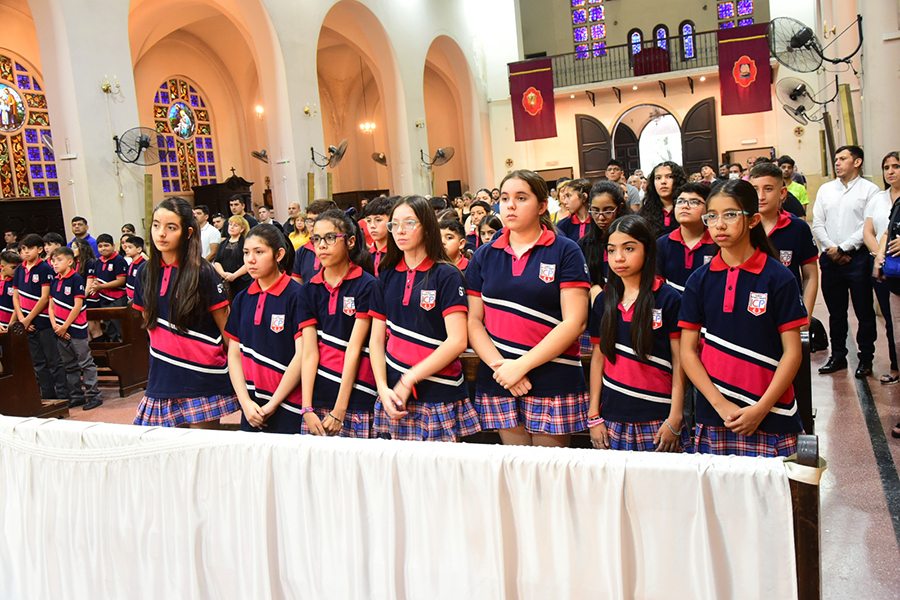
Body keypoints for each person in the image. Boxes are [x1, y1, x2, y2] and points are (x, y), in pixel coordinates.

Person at [679, 180, 807, 457]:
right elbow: (687, 351)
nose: (719, 224)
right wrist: (721, 405)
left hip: (772, 413)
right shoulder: (698, 281)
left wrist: (761, 408)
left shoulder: (779, 278)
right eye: (712, 216)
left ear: (753, 220)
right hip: (716, 416)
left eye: (730, 215)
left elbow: (793, 352)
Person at [467, 170, 590, 447]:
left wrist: (521, 366)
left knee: (550, 469)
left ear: (542, 206)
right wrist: (503, 370)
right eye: (505, 198)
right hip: (500, 376)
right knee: (515, 466)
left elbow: (575, 322)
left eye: (521, 198)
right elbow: (473, 321)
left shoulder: (565, 250)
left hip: (552, 374)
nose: (510, 205)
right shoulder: (484, 255)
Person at [368, 195, 480, 442]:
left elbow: (457, 341)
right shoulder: (386, 276)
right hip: (394, 392)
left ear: (427, 226)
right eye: (394, 224)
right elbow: (376, 340)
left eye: (409, 223)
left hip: (439, 390)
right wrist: (383, 388)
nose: (400, 230)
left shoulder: (446, 275)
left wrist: (410, 379)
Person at [133, 196, 239, 428]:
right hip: (164, 374)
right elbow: (149, 323)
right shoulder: (145, 272)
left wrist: (239, 374)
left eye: (171, 228)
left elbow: (228, 329)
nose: (161, 233)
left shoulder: (202, 271)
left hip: (202, 374)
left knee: (204, 446)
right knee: (169, 447)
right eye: (156, 225)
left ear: (188, 232)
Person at [588, 215, 688, 452]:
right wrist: (593, 415)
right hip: (612, 416)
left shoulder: (668, 298)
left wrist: (675, 416)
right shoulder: (603, 300)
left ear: (648, 250)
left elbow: (680, 361)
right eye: (611, 250)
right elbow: (598, 358)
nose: (618, 258)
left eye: (629, 248)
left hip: (658, 416)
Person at [298, 210, 378, 437]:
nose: (322, 245)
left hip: (357, 395)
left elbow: (354, 348)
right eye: (316, 239)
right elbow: (309, 352)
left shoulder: (367, 285)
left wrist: (340, 409)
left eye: (330, 238)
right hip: (319, 397)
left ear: (350, 242)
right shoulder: (308, 290)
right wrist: (307, 407)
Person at [224, 224, 303, 434]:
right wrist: (245, 402)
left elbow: (302, 355)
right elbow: (234, 354)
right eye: (246, 253)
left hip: (289, 406)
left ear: (279, 255)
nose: (250, 259)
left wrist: (273, 404)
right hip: (251, 407)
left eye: (259, 252)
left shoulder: (297, 296)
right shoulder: (242, 298)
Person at [812, 145, 880, 377]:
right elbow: (818, 223)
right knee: (836, 312)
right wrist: (831, 249)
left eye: (842, 159)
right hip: (830, 259)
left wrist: (843, 248)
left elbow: (868, 226)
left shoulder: (870, 190)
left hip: (858, 258)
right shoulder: (826, 189)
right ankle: (838, 355)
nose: (837, 163)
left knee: (864, 311)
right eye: (836, 159)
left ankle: (866, 358)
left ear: (857, 162)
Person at [750, 163, 819, 325]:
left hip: (788, 310)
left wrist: (806, 316)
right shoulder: (743, 227)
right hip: (751, 311)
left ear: (782, 193)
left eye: (768, 189)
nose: (760, 196)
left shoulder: (797, 228)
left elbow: (810, 275)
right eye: (755, 190)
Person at [12, 233, 68, 399]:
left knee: (53, 360)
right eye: (23, 248)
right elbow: (16, 297)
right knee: (38, 362)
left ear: (40, 249)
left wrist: (28, 319)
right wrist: (22, 319)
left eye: (30, 248)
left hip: (43, 322)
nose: (26, 252)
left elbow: (44, 298)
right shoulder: (19, 270)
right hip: (26, 323)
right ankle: (47, 395)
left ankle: (63, 395)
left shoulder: (44, 269)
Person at [47, 246, 103, 410]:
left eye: (59, 260)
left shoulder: (76, 279)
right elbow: (51, 306)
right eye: (53, 260)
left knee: (85, 363)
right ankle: (76, 396)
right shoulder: (55, 280)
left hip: (76, 328)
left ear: (70, 262)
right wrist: (55, 326)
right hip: (59, 329)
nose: (55, 263)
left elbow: (77, 305)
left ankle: (94, 395)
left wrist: (65, 326)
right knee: (69, 365)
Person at [872, 152, 900, 436]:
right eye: (887, 167)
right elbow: (886, 232)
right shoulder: (895, 203)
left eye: (896, 166)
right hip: (897, 282)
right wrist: (880, 256)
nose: (891, 171)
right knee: (898, 338)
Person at [656, 182, 715, 293]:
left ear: (708, 209)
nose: (685, 206)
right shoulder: (662, 244)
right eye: (680, 201)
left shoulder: (717, 243)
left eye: (694, 202)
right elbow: (658, 283)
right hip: (673, 301)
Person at [90, 233, 128, 342]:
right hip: (104, 300)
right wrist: (95, 285)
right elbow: (95, 279)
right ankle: (114, 347)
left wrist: (100, 286)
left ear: (113, 246)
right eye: (100, 246)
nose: (103, 248)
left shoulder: (119, 260)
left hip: (117, 300)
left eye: (106, 245)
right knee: (110, 328)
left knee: (121, 328)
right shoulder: (98, 262)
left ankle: (124, 349)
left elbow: (121, 281)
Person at [291, 199, 337, 284]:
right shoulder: (301, 252)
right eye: (309, 221)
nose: (312, 225)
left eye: (316, 220)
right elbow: (297, 285)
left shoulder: (338, 249)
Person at [639, 161, 686, 238]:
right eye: (658, 178)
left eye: (669, 177)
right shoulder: (644, 212)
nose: (663, 182)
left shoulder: (687, 208)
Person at [214, 215, 252, 299]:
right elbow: (217, 261)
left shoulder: (246, 243)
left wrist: (234, 275)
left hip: (242, 281)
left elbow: (248, 262)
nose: (231, 227)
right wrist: (223, 274)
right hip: (226, 281)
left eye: (236, 225)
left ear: (242, 229)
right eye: (230, 224)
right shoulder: (223, 243)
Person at [72, 238, 102, 340]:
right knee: (86, 329)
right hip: (79, 298)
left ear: (83, 248)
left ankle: (99, 347)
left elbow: (89, 285)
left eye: (75, 247)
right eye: (71, 247)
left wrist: (81, 298)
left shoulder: (90, 262)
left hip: (90, 297)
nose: (72, 250)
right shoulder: (74, 263)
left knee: (93, 327)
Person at [363, 196, 395, 275]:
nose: (372, 226)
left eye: (378, 220)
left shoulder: (397, 254)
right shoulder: (365, 256)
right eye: (369, 220)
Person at [555, 179, 592, 243]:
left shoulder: (598, 223)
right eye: (564, 197)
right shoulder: (562, 225)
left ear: (584, 196)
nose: (565, 202)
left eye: (568, 196)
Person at [0, 251, 22, 331]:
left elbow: (18, 306)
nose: (16, 271)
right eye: (13, 268)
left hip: (12, 327)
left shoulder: (19, 282)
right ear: (2, 266)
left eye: (18, 268)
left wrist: (10, 326)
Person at [122, 235, 146, 302]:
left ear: (139, 249)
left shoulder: (143, 265)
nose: (126, 250)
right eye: (126, 247)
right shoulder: (131, 264)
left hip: (139, 299)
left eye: (130, 247)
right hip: (129, 298)